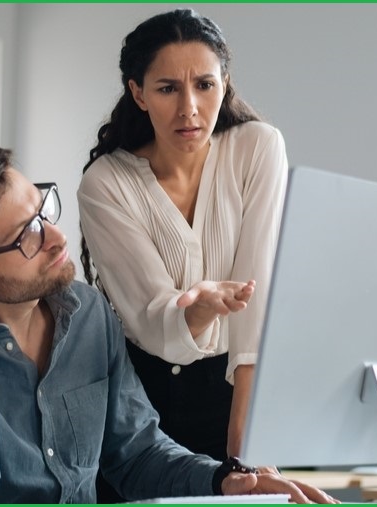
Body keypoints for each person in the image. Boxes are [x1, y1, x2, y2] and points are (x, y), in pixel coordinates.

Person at [0, 144, 335, 504]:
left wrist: (228, 481)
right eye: (25, 234)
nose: (56, 237)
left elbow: (136, 452)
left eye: (42, 209)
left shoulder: (85, 311)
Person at [78, 8, 286, 468]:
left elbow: (260, 296)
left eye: (204, 85)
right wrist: (200, 310)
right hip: (143, 405)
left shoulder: (257, 148)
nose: (189, 108)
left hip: (240, 390)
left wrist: (242, 442)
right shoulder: (107, 183)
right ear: (139, 93)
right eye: (168, 88)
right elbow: (152, 320)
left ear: (225, 83)